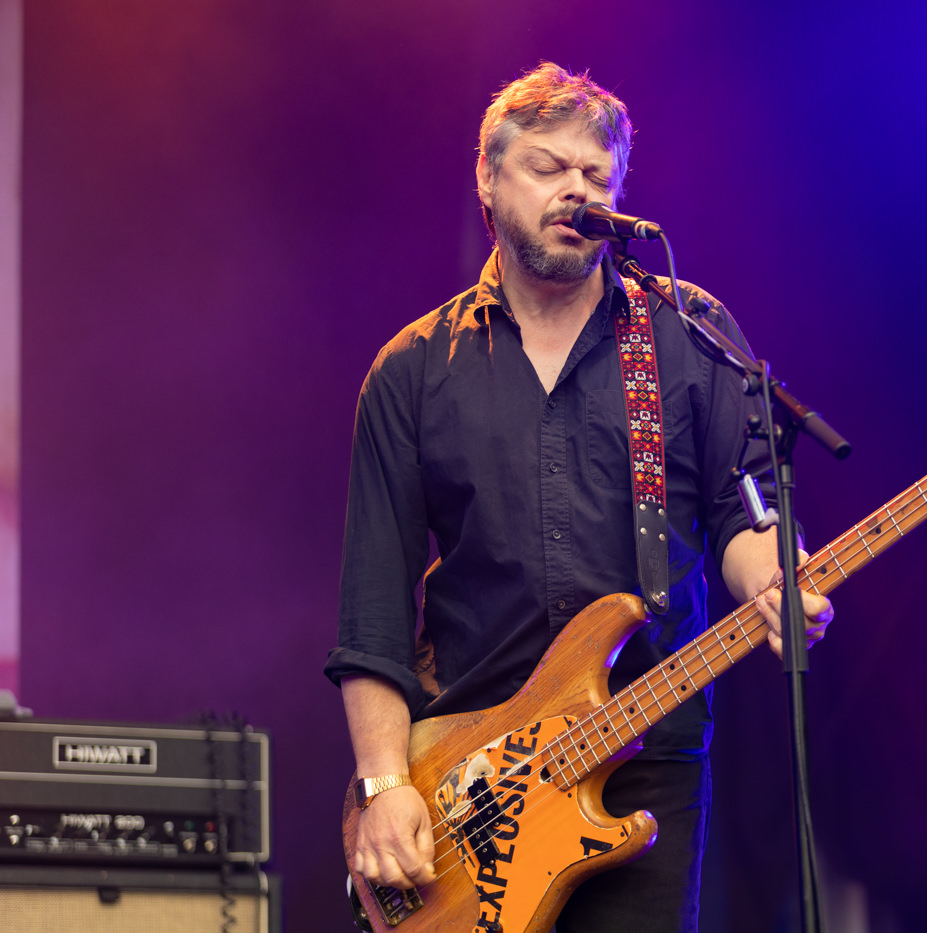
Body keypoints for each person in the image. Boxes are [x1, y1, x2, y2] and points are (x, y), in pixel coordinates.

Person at [325, 62, 833, 933]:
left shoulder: (686, 334)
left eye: (596, 176)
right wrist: (384, 784)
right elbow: (372, 613)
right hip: (470, 780)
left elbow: (740, 518)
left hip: (646, 752)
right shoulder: (412, 372)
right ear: (487, 178)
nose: (576, 190)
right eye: (548, 167)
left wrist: (773, 579)